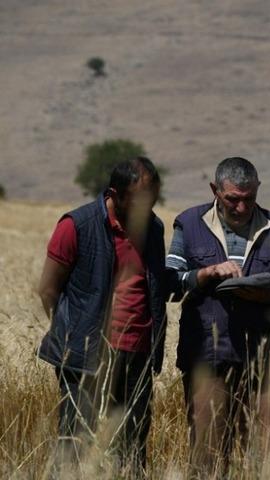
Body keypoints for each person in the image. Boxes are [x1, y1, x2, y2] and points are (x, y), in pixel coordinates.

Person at [165, 157, 270, 476]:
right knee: (208, 457)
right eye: (232, 199)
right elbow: (169, 282)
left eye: (249, 198)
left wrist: (268, 296)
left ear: (258, 189)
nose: (241, 207)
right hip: (208, 355)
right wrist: (205, 274)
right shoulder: (189, 223)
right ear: (214, 190)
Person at [37, 157, 167, 477]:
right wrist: (76, 334)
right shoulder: (76, 226)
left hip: (137, 354)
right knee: (75, 445)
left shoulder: (154, 228)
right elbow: (48, 289)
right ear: (115, 195)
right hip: (87, 356)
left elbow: (154, 284)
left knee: (132, 449)